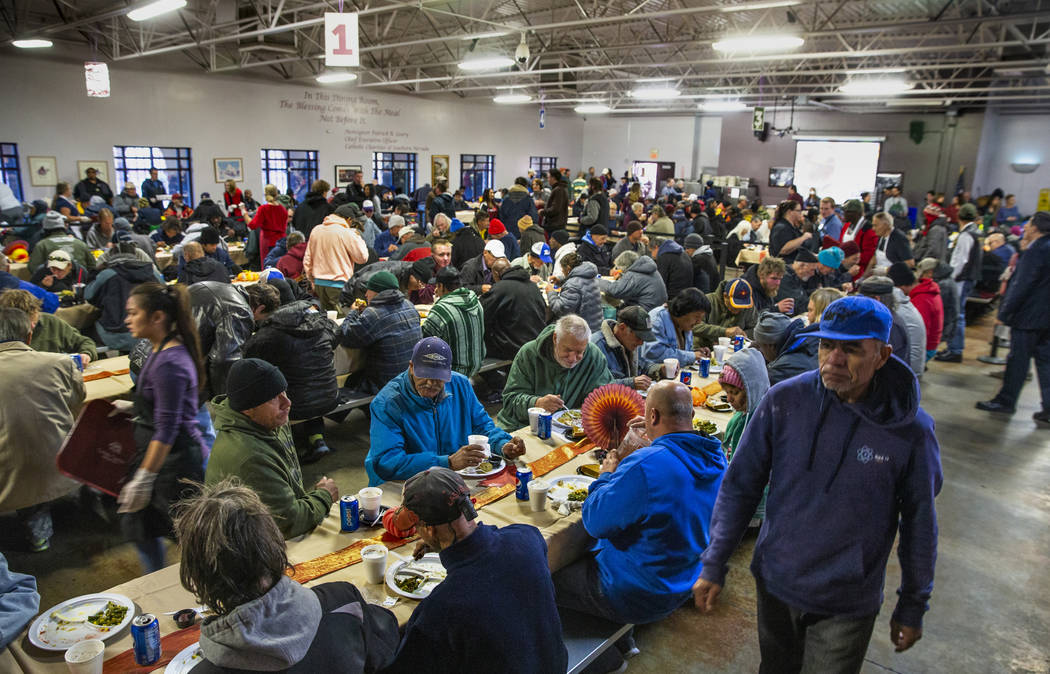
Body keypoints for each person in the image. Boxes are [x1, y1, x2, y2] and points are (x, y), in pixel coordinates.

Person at [694, 296, 942, 671]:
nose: (834, 360)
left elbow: (920, 523)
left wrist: (912, 602)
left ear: (883, 354)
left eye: (852, 349)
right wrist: (714, 561)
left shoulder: (910, 432)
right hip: (776, 582)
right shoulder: (785, 401)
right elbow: (740, 485)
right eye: (827, 345)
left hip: (845, 601)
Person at [552, 380, 726, 671]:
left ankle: (599, 657)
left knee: (542, 571)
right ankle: (623, 636)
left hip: (637, 593)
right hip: (685, 578)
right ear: (691, 416)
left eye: (647, 417)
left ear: (653, 417)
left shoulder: (647, 464)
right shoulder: (716, 455)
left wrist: (607, 474)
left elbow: (594, 522)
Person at [174, 480, 399, 672]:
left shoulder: (206, 670)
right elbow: (386, 644)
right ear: (277, 544)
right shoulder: (342, 600)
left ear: (198, 579)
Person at [382, 468, 566, 673]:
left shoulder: (441, 607)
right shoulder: (528, 537)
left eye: (418, 528)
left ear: (429, 529)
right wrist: (440, 544)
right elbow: (496, 549)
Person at [117, 282, 207, 572]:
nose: (127, 320)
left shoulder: (170, 361)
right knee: (143, 532)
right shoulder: (159, 350)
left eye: (133, 313)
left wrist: (144, 478)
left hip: (176, 464)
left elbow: (167, 428)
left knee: (195, 541)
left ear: (157, 317)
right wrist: (134, 408)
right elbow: (168, 406)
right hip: (162, 460)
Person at [204, 358, 338, 538]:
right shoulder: (249, 456)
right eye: (273, 397)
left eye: (283, 391)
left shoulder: (267, 421)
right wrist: (324, 496)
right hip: (248, 548)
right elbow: (290, 522)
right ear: (247, 409)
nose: (287, 402)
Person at [367, 337, 522, 484]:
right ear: (412, 367)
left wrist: (503, 444)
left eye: (437, 377)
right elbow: (387, 462)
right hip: (405, 482)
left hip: (453, 476)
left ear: (448, 374)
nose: (429, 383)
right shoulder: (387, 403)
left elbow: (482, 427)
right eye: (424, 375)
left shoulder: (460, 385)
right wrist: (446, 462)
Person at [0, 307, 85, 552]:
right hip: (62, 462)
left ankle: (37, 533)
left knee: (16, 448)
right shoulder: (60, 363)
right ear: (29, 335)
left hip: (10, 472)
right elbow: (78, 399)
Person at [243, 289, 340, 458]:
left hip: (296, 406)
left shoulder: (266, 337)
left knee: (283, 388)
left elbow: (246, 360)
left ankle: (288, 448)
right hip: (330, 396)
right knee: (305, 383)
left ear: (258, 308)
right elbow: (336, 335)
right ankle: (317, 439)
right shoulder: (319, 323)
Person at [976, 211, 1050, 420]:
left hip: (1028, 317)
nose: (1025, 227)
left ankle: (1005, 401)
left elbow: (1022, 284)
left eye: (1028, 224)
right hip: (1045, 318)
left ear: (1035, 228)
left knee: (1018, 360)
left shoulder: (1036, 250)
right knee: (1045, 362)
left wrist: (1005, 312)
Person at [497, 315, 614, 430]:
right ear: (555, 338)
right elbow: (510, 402)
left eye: (579, 352)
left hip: (569, 428)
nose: (573, 358)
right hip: (524, 425)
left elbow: (605, 392)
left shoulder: (593, 355)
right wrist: (537, 403)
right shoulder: (528, 354)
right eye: (568, 350)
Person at [338, 271, 422, 395]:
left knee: (351, 380)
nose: (366, 294)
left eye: (369, 290)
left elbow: (346, 337)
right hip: (410, 378)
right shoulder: (410, 306)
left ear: (378, 292)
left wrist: (353, 313)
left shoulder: (374, 314)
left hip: (386, 383)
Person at [86, 243, 165, 352]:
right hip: (150, 332)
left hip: (116, 336)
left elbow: (88, 296)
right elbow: (165, 292)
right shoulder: (152, 273)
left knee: (85, 329)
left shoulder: (107, 274)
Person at [935, 203, 982, 363]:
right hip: (969, 277)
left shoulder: (966, 235)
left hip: (961, 279)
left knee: (957, 314)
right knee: (958, 313)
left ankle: (955, 349)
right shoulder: (976, 232)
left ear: (959, 217)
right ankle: (953, 347)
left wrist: (951, 278)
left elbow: (961, 260)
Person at [0, 289, 96, 362]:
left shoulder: (50, 322)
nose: (31, 326)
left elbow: (84, 342)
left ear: (37, 310)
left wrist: (86, 354)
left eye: (32, 320)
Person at [480, 258, 546, 361]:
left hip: (513, 347)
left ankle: (495, 377)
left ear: (496, 273)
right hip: (535, 343)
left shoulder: (500, 288)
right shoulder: (533, 286)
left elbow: (482, 313)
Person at [304, 213, 368, 313]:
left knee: (326, 320)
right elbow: (362, 257)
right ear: (349, 219)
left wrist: (312, 280)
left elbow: (308, 259)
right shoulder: (347, 233)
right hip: (339, 285)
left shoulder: (316, 230)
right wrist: (358, 237)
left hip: (319, 284)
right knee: (341, 321)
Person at [859, 275, 924, 374]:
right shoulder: (888, 317)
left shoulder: (890, 326)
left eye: (862, 298)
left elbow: (882, 366)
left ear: (876, 299)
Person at [640, 287, 712, 371]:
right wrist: (691, 356)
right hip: (654, 376)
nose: (699, 322)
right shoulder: (657, 319)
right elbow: (654, 354)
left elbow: (679, 350)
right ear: (684, 310)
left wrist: (696, 352)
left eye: (701, 318)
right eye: (697, 317)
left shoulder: (684, 324)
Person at [592, 305, 661, 390]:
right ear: (622, 327)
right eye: (638, 337)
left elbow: (640, 366)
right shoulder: (596, 348)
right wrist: (631, 383)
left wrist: (659, 370)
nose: (641, 343)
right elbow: (596, 385)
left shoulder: (628, 342)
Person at [889, 262, 943, 361]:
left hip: (927, 348)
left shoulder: (921, 300)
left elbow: (917, 336)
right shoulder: (925, 289)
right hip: (931, 342)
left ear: (901, 287)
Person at [751, 311, 820, 386]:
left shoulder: (779, 371)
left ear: (771, 346)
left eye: (760, 346)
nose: (760, 350)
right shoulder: (811, 339)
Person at [693, 278, 758, 349]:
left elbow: (754, 329)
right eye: (735, 307)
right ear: (725, 296)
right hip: (703, 350)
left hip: (734, 350)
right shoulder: (708, 301)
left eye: (742, 307)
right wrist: (724, 332)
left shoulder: (748, 306)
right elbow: (694, 326)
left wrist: (742, 335)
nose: (739, 310)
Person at [547, 252, 602, 331]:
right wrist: (560, 280)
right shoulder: (589, 275)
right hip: (595, 325)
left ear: (568, 268)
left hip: (582, 330)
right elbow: (577, 279)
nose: (562, 271)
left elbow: (561, 309)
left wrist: (551, 292)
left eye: (563, 270)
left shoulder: (572, 285)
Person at [28, 211, 96, 273]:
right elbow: (92, 265)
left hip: (52, 284)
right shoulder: (81, 244)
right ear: (64, 227)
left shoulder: (42, 245)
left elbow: (33, 268)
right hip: (80, 283)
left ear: (45, 229)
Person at [600, 250, 668, 312]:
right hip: (658, 309)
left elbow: (614, 290)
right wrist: (623, 275)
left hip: (645, 313)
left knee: (610, 309)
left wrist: (597, 280)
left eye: (622, 270)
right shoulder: (648, 267)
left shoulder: (634, 275)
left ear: (626, 267)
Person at [249, 185, 289, 268]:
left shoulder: (263, 209)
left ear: (265, 194)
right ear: (277, 194)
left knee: (268, 266)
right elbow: (285, 227)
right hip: (281, 241)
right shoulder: (283, 209)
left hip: (267, 240)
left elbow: (253, 225)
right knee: (280, 265)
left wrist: (244, 213)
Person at [839, 199, 879, 279]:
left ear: (857, 214)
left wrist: (850, 259)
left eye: (847, 212)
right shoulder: (846, 225)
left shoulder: (868, 230)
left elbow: (868, 256)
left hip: (858, 271)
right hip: (842, 266)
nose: (844, 214)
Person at [649, 235, 692, 300]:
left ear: (656, 247)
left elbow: (660, 281)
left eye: (651, 251)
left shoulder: (664, 257)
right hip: (686, 294)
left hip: (672, 297)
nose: (652, 255)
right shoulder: (682, 252)